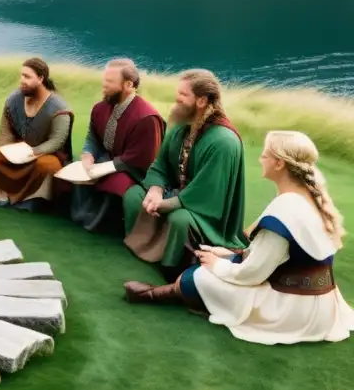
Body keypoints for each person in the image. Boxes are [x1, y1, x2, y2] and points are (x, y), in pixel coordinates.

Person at [124, 131, 354, 345]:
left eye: (265, 154)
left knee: (197, 277)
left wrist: (217, 265)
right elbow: (284, 255)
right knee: (214, 261)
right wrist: (230, 254)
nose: (260, 158)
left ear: (279, 163)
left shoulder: (285, 209)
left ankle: (152, 294)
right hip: (321, 304)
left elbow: (252, 274)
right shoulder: (310, 198)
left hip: (291, 310)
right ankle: (167, 290)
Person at [123, 69, 247, 281]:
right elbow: (161, 164)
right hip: (178, 194)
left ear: (201, 101)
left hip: (207, 209)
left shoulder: (223, 142)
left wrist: (164, 204)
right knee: (134, 194)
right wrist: (156, 190)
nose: (176, 98)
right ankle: (141, 246)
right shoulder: (181, 126)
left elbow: (206, 194)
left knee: (180, 219)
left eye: (183, 94)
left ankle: (171, 266)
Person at [69, 59, 166, 233]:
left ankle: (101, 224)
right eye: (104, 80)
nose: (103, 85)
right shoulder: (100, 108)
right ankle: (80, 214)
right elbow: (93, 137)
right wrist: (88, 154)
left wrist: (103, 168)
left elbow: (141, 159)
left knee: (116, 182)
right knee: (79, 168)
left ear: (128, 85)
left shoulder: (147, 118)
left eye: (109, 82)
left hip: (134, 170)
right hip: (108, 159)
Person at [0, 58, 74, 209]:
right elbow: (5, 133)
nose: (22, 80)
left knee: (47, 167)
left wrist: (34, 152)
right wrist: (7, 153)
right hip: (17, 151)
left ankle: (33, 199)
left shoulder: (59, 108)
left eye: (27, 77)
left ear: (41, 79)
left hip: (46, 154)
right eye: (21, 75)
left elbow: (57, 141)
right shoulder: (13, 100)